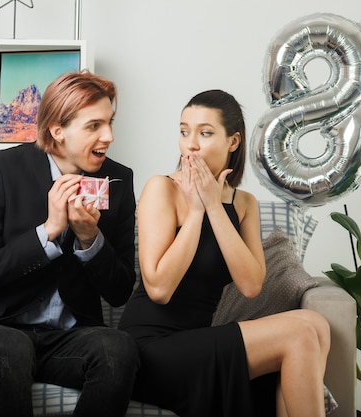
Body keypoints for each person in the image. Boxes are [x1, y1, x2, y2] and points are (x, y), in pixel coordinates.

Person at [118, 90, 331, 417]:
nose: (190, 144)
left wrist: (215, 205)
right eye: (184, 131)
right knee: (300, 332)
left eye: (205, 133)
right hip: (150, 350)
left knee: (316, 324)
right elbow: (159, 290)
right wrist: (195, 212)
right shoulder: (161, 189)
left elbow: (250, 285)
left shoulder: (244, 204)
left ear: (233, 142)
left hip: (199, 343)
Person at [0, 70, 140, 417]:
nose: (108, 136)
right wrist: (48, 231)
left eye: (110, 123)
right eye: (94, 125)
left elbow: (121, 290)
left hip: (67, 340)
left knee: (119, 349)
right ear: (57, 130)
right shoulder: (0, 169)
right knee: (11, 347)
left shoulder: (118, 181)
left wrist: (90, 239)